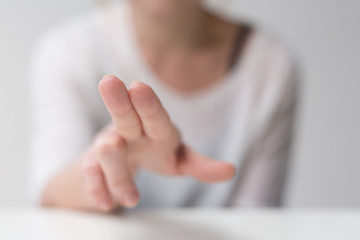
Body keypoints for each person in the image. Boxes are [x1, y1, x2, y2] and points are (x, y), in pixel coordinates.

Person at [28, 0, 298, 212]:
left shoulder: (270, 65)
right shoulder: (70, 50)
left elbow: (257, 219)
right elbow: (52, 198)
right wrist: (113, 167)